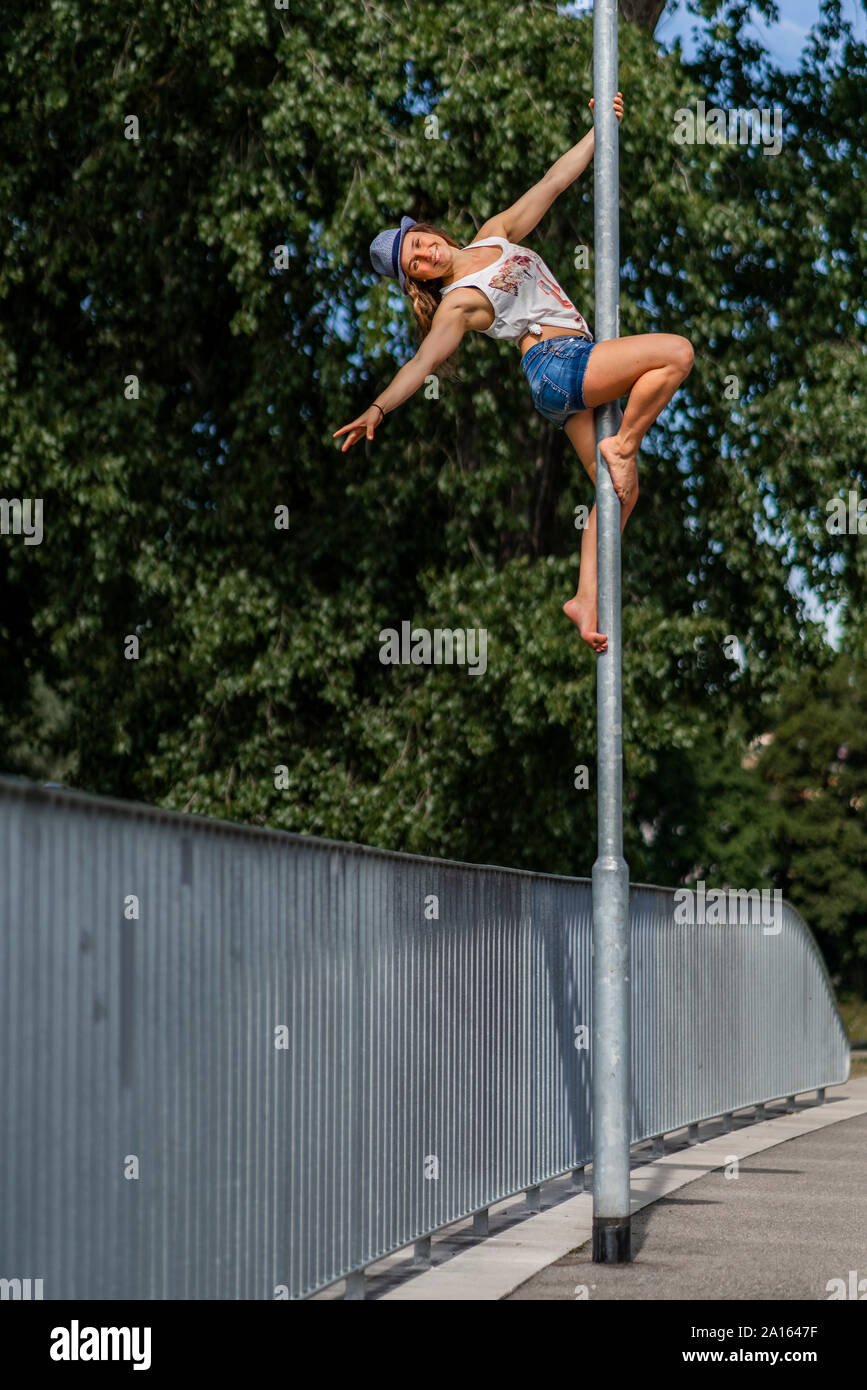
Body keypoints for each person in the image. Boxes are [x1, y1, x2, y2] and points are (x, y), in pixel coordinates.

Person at [333, 93, 694, 652]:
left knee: (620, 498)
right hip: (558, 364)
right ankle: (623, 444)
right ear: (419, 282)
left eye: (421, 243)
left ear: (432, 232)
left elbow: (551, 183)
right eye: (416, 264)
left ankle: (583, 599)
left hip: (562, 377)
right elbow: (423, 362)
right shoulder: (456, 303)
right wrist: (378, 407)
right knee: (676, 353)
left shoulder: (495, 233)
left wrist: (600, 130)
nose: (426, 254)